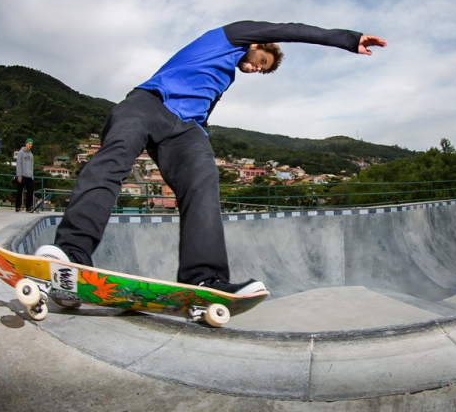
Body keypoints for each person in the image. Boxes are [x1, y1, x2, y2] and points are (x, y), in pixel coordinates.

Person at [39, 20, 386, 296]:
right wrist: (347, 39)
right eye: (260, 62)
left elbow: (204, 104)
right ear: (256, 44)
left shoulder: (227, 76)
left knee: (204, 180)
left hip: (186, 129)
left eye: (261, 71)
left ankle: (204, 279)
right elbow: (291, 30)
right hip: (148, 104)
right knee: (114, 158)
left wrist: (200, 132)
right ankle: (72, 252)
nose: (254, 70)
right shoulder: (234, 35)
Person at [15, 138, 35, 212]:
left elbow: (31, 165)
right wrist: (19, 175)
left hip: (29, 175)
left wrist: (32, 174)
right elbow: (18, 164)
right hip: (22, 174)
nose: (30, 145)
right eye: (29, 143)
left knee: (30, 191)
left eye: (31, 144)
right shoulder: (21, 153)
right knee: (20, 191)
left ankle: (28, 206)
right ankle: (18, 206)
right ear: (26, 143)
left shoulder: (31, 155)